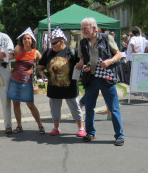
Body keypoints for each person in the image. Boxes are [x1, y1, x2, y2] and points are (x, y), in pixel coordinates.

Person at [76, 17, 125, 146]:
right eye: (82, 29)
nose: (83, 31)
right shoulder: (82, 42)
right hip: (91, 78)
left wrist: (110, 61)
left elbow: (118, 54)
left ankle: (119, 136)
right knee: (89, 107)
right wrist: (82, 65)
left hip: (105, 78)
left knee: (113, 107)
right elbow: (82, 58)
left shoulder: (106, 38)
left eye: (85, 28)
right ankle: (90, 133)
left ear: (93, 28)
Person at [37, 27, 86, 137]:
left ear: (62, 41)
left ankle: (81, 128)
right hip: (54, 87)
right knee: (54, 109)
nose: (52, 45)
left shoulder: (72, 51)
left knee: (75, 108)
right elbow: (40, 65)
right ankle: (56, 128)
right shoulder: (48, 53)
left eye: (54, 43)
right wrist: (41, 73)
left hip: (70, 87)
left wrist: (81, 63)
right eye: (51, 43)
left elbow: (82, 61)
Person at [7, 27, 45, 134]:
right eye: (24, 39)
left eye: (28, 38)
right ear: (22, 40)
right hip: (14, 81)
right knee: (16, 104)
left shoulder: (35, 53)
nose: (26, 40)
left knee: (30, 105)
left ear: (32, 40)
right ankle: (19, 126)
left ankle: (40, 126)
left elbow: (42, 64)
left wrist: (41, 73)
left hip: (26, 82)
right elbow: (9, 56)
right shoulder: (18, 48)